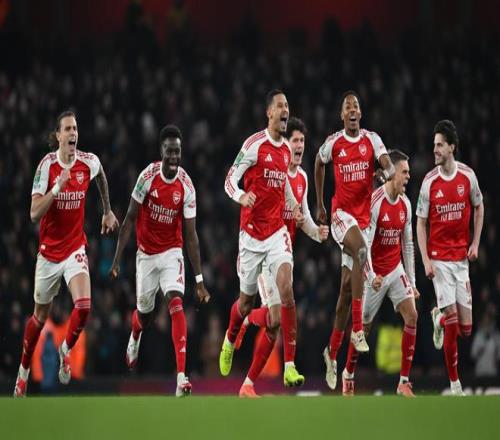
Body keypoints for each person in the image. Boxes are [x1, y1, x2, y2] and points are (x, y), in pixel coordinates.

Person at [14, 110, 119, 397]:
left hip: (74, 249)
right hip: (49, 255)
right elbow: (34, 213)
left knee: (84, 307)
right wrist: (57, 187)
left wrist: (107, 210)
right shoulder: (46, 166)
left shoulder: (88, 162)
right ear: (58, 135)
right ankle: (23, 372)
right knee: (39, 317)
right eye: (68, 129)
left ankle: (65, 349)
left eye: (75, 128)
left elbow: (101, 175)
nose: (73, 133)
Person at [109, 124, 210, 397]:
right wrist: (117, 260)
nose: (174, 156)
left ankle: (181, 377)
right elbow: (129, 219)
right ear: (161, 151)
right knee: (145, 315)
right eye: (170, 151)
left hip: (171, 252)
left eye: (177, 151)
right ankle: (135, 335)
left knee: (176, 302)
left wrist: (199, 280)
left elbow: (191, 235)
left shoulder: (186, 185)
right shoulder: (147, 177)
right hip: (146, 254)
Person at [233, 117, 329, 391]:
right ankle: (247, 320)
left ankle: (249, 385)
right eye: (294, 140)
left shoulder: (303, 179)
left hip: (282, 253)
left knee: (275, 323)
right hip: (262, 249)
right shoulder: (271, 169)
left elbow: (303, 217)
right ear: (286, 144)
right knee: (274, 317)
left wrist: (317, 232)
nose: (299, 145)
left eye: (302, 141)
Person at [221, 89, 303, 398]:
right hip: (251, 237)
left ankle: (290, 365)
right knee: (245, 304)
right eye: (280, 106)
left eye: (287, 105)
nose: (285, 110)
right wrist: (241, 195)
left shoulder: (285, 151)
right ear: (269, 112)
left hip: (276, 234)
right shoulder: (254, 145)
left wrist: (294, 206)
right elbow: (229, 179)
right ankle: (232, 335)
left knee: (286, 290)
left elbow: (284, 187)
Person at [315, 91, 395, 390]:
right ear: (342, 115)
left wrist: (386, 173)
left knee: (345, 294)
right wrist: (320, 204)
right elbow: (318, 162)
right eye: (347, 106)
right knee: (361, 250)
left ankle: (331, 352)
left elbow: (387, 164)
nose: (352, 109)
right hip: (340, 217)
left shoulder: (371, 140)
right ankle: (358, 330)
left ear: (360, 114)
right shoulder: (334, 142)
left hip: (362, 223)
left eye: (356, 106)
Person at [334, 149, 420, 397]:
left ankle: (403, 382)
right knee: (364, 329)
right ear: (392, 173)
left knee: (412, 316)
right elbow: (366, 245)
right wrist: (371, 277)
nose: (408, 176)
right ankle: (348, 374)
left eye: (408, 172)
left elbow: (407, 245)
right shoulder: (375, 203)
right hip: (374, 274)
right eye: (404, 172)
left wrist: (412, 282)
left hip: (395, 269)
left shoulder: (405, 204)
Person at [416, 120, 484, 396]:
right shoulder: (429, 182)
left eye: (440, 145)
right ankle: (455, 384)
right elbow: (420, 222)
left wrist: (475, 243)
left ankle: (439, 318)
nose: (435, 150)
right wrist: (426, 260)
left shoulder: (467, 176)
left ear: (452, 147)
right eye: (434, 145)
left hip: (461, 261)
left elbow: (479, 207)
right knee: (454, 324)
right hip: (439, 260)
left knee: (466, 329)